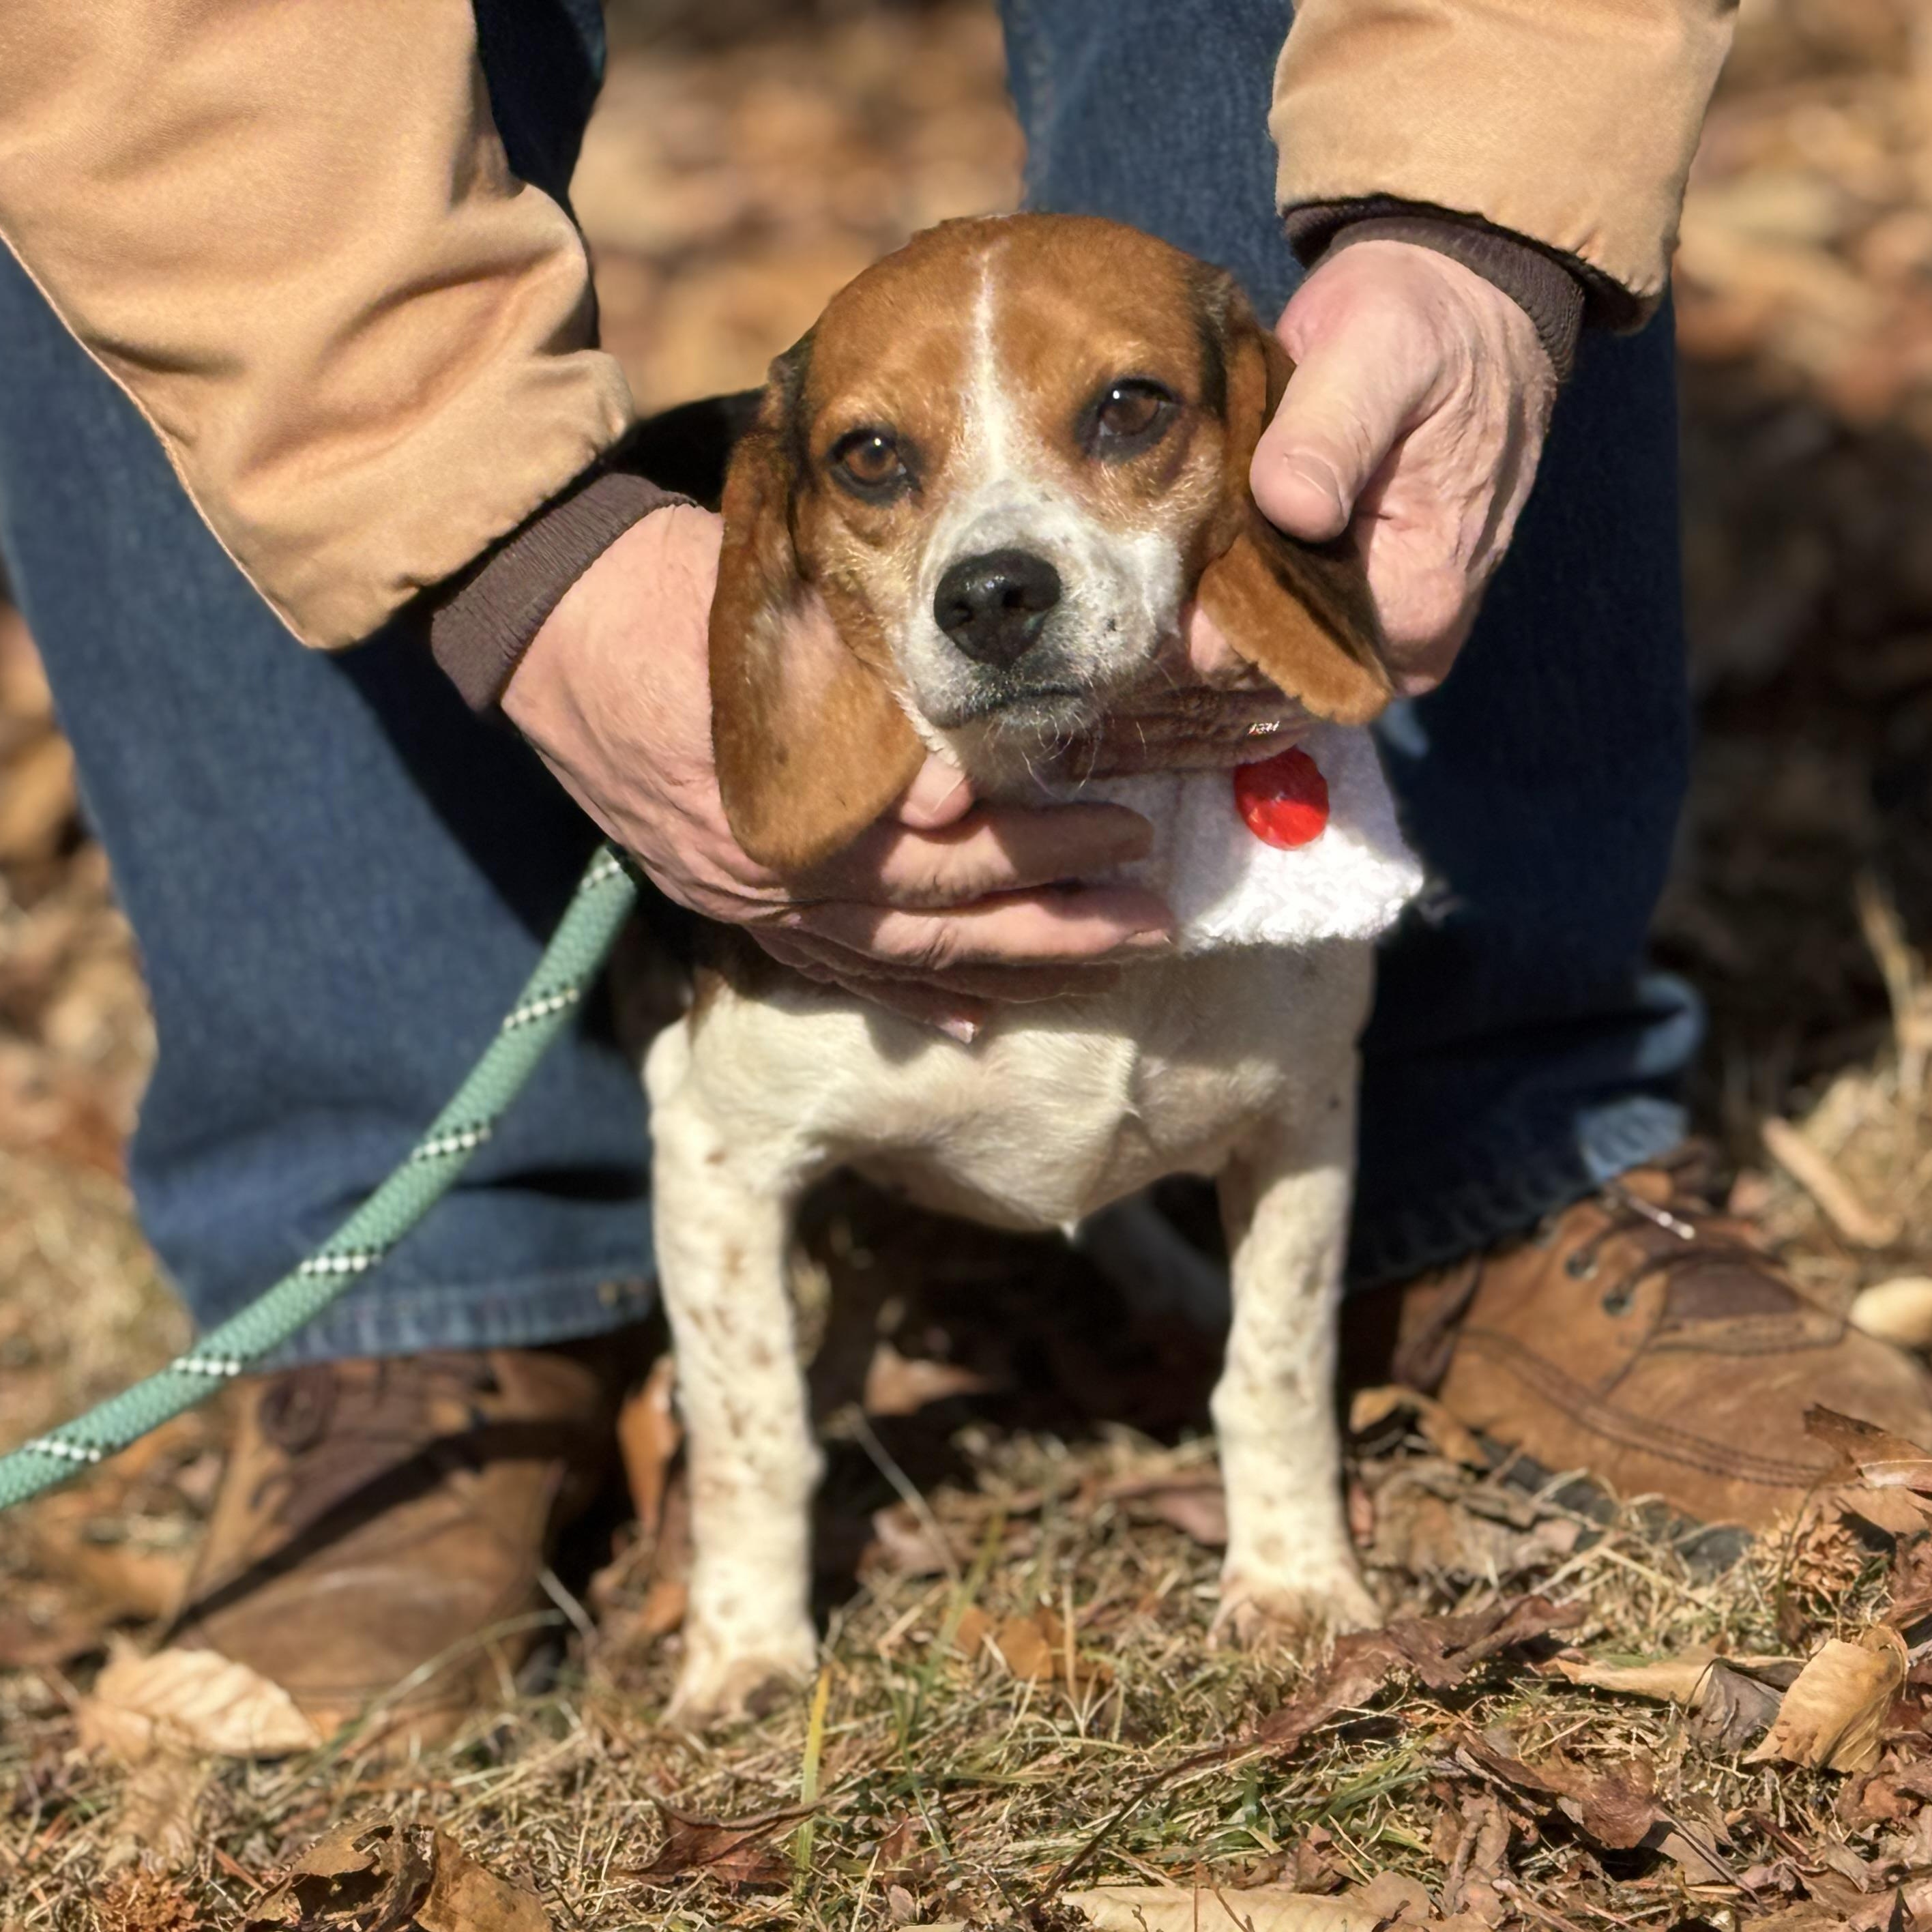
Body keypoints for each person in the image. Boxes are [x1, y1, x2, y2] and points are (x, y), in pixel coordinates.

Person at [2, 0, 1922, 1742]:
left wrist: (1494, 217)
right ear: (800, 524)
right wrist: (508, 561)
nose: (997, 559)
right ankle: (421, 1312)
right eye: (879, 466)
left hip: (1266, 992)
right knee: (181, 155)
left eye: (1122, 418)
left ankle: (1493, 1167)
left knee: (1323, 1051)